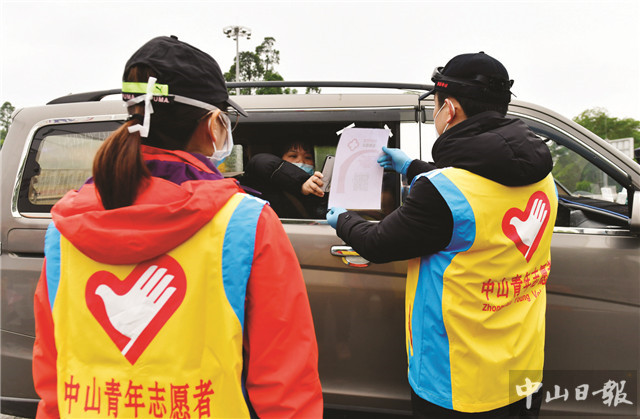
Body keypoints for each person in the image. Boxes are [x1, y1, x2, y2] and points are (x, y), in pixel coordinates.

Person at [32, 35, 322, 419]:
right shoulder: (245, 223)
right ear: (213, 125)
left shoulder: (63, 231)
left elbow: (53, 380)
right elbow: (285, 387)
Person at [327, 52, 557, 418]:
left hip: (459, 382)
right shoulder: (542, 177)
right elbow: (479, 184)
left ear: (448, 109)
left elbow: (377, 243)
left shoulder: (443, 192)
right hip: (523, 369)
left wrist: (341, 218)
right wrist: (413, 167)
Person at [243, 141, 326, 218]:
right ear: (280, 160)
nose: (301, 161)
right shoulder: (268, 187)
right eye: (293, 156)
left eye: (308, 157)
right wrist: (301, 183)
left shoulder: (318, 190)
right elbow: (260, 161)